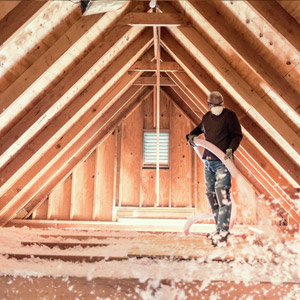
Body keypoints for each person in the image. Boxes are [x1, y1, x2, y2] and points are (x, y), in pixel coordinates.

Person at [186, 91, 243, 247]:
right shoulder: (206, 118)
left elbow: (237, 135)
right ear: (209, 105)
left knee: (222, 197)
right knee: (212, 197)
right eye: (214, 105)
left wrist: (231, 149)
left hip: (222, 162)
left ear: (222, 104)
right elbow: (195, 133)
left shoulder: (229, 116)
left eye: (219, 105)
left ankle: (223, 235)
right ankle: (218, 230)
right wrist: (191, 139)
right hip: (209, 162)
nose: (217, 108)